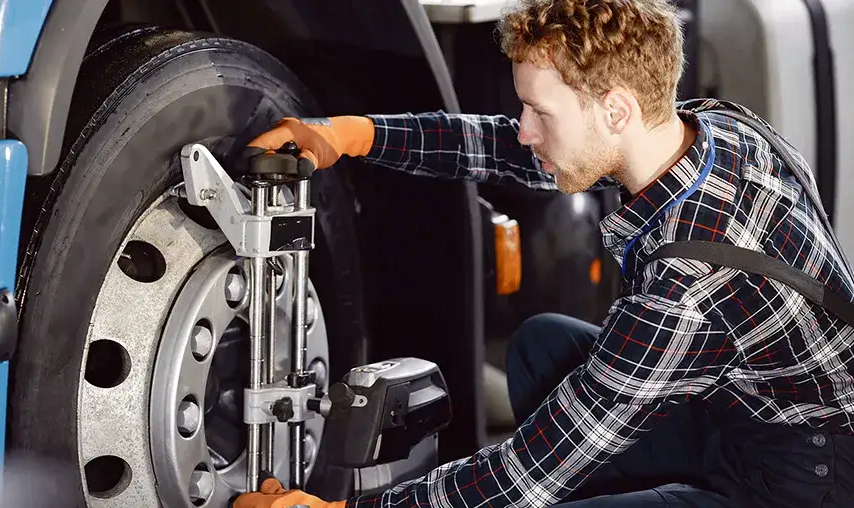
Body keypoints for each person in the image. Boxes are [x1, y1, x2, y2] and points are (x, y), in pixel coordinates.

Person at [232, 0, 854, 506]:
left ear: (616, 109)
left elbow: (540, 464)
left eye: (539, 111)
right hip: (735, 407)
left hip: (801, 477)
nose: (524, 128)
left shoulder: (692, 278)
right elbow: (503, 148)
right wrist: (354, 134)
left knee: (543, 471)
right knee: (542, 347)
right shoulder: (713, 129)